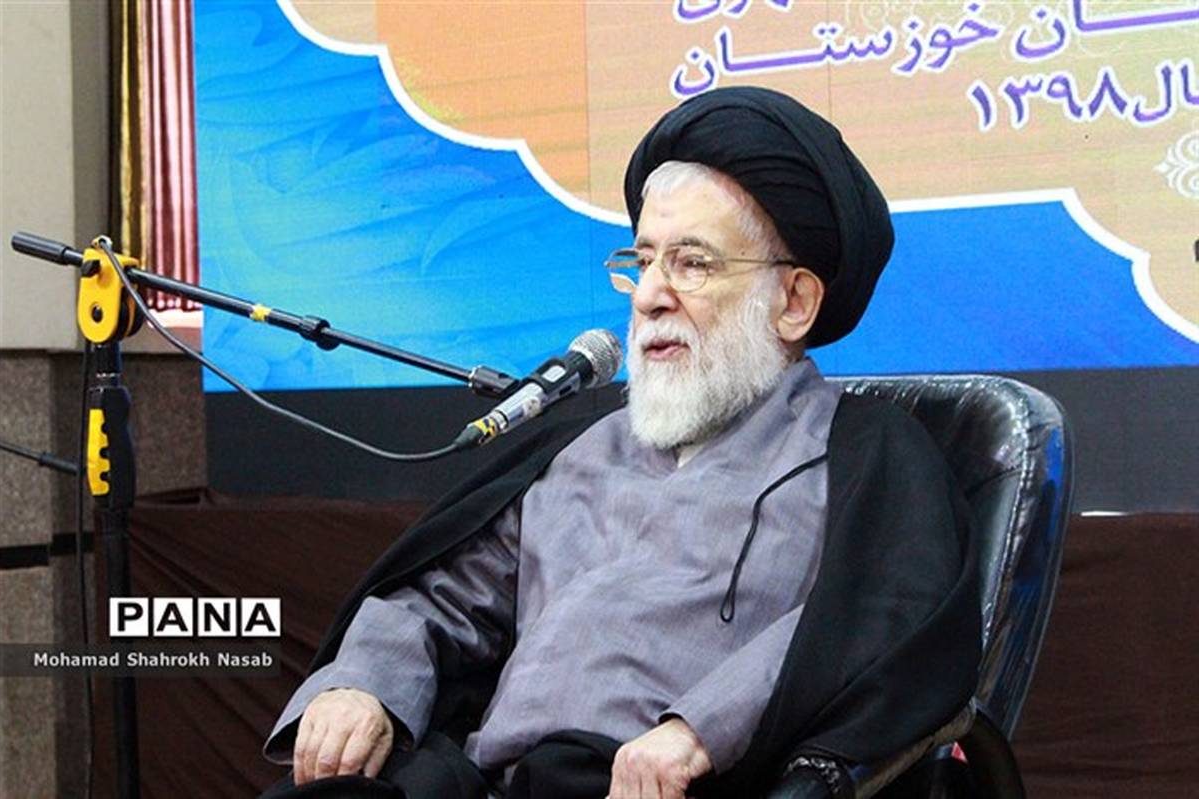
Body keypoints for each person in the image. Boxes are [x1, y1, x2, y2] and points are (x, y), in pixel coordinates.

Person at [261, 86, 980, 799]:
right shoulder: (584, 446)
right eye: (642, 262)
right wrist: (364, 684)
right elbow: (445, 600)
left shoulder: (860, 453)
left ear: (793, 302)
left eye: (692, 263)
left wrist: (697, 730)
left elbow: (877, 625)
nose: (648, 296)